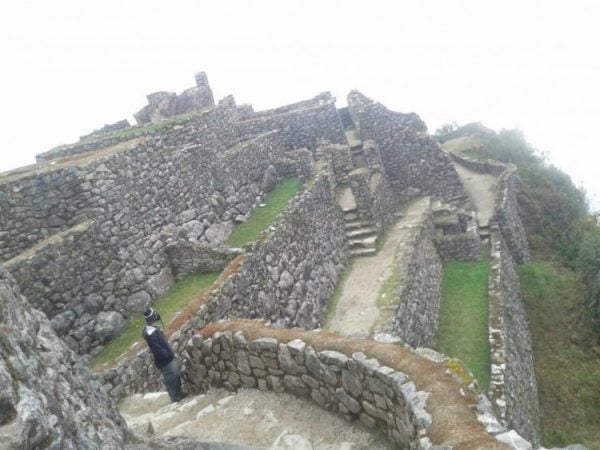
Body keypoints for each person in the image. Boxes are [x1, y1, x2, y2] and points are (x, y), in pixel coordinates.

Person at [142, 308, 183, 402]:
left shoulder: (152, 331)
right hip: (165, 360)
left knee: (175, 376)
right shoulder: (152, 334)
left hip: (165, 359)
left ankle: (177, 395)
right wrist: (168, 354)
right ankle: (175, 397)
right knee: (172, 378)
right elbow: (158, 349)